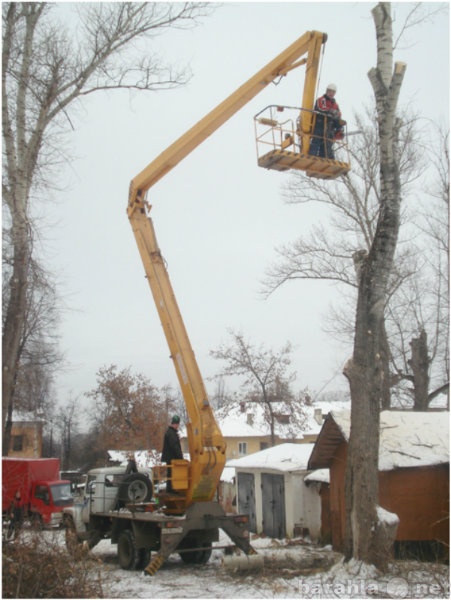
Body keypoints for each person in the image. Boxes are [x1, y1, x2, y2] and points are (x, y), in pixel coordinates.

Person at [309, 83, 345, 159]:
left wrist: (339, 127)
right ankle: (312, 156)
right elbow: (320, 108)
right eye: (329, 91)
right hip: (320, 123)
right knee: (317, 140)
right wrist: (330, 111)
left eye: (333, 92)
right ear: (327, 91)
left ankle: (325, 158)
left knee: (327, 143)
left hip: (329, 127)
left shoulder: (335, 104)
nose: (331, 93)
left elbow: (338, 115)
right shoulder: (321, 100)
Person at [161, 415, 183, 493]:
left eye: (178, 424)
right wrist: (180, 457)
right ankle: (171, 489)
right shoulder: (171, 433)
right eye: (176, 424)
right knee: (172, 473)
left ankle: (170, 489)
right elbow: (174, 446)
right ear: (174, 424)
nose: (177, 426)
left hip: (170, 457)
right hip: (171, 457)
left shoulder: (171, 432)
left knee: (171, 473)